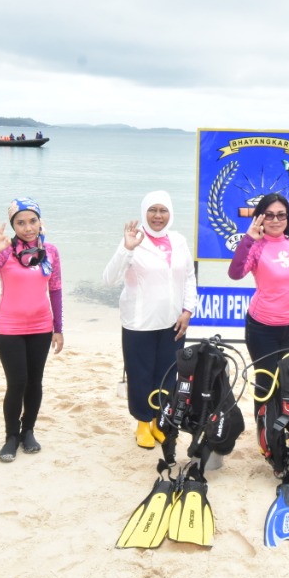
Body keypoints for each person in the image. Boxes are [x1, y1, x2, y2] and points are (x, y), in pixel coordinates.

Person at [103, 191, 197, 448]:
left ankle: (159, 420)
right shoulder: (134, 241)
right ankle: (143, 423)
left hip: (173, 323)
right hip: (139, 323)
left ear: (170, 213)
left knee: (168, 375)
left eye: (163, 210)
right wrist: (126, 248)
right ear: (144, 212)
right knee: (141, 374)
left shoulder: (178, 240)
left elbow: (189, 277)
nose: (158, 216)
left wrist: (188, 310)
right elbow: (109, 279)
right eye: (152, 210)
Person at [0, 198, 64, 462]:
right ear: (13, 225)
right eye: (21, 223)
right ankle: (11, 436)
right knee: (17, 383)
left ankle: (28, 431)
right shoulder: (5, 251)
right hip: (9, 328)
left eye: (32, 221)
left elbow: (55, 290)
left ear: (40, 221)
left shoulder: (51, 251)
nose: (28, 227)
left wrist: (58, 328)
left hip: (41, 327)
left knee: (35, 382)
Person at [227, 193, 289, 409]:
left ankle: (283, 429)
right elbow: (235, 273)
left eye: (281, 215)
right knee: (266, 384)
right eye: (269, 215)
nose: (275, 220)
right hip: (262, 328)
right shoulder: (256, 247)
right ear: (260, 218)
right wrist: (248, 239)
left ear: (288, 218)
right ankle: (264, 436)